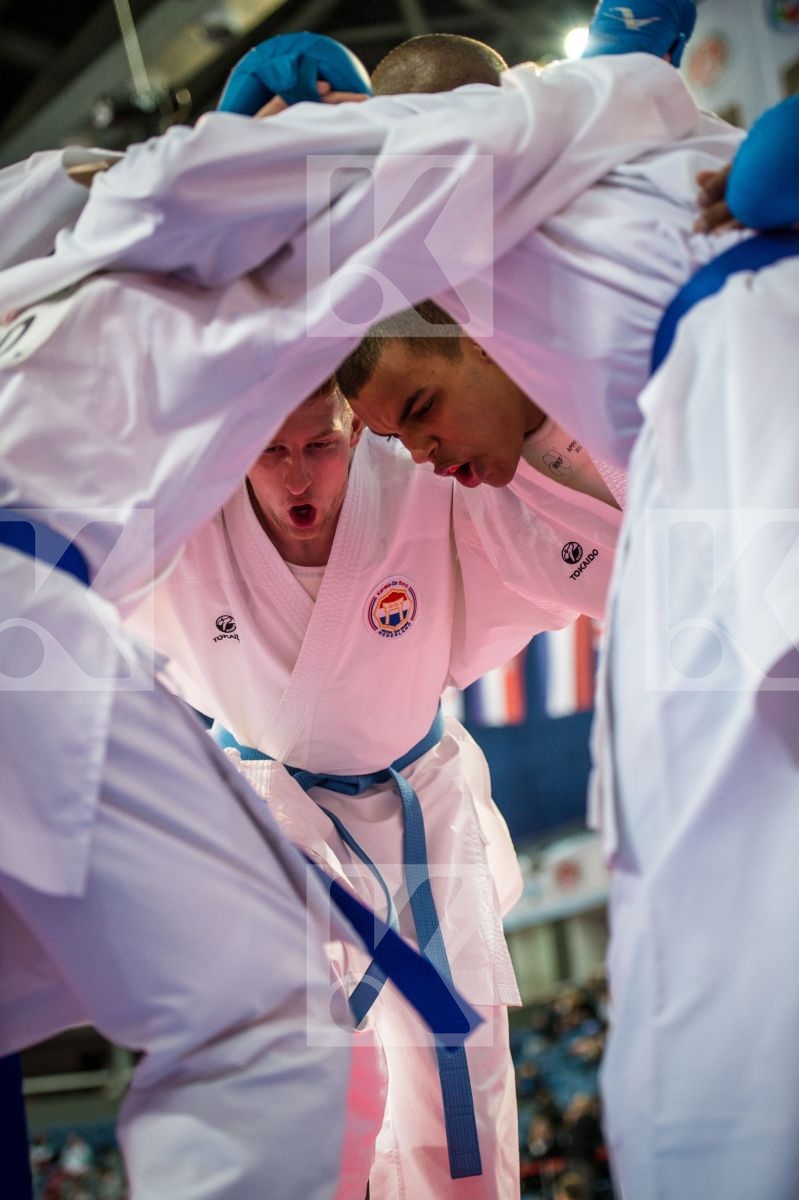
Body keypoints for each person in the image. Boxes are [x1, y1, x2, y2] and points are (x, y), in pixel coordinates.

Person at [0, 89, 484, 1200]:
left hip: (36, 602)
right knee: (267, 1013)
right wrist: (596, 93)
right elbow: (440, 151)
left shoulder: (54, 239)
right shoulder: (244, 225)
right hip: (23, 613)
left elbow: (69, 188)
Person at [131, 303, 622, 1197]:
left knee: (461, 1070)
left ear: (356, 426)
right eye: (269, 451)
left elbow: (562, 539)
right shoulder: (184, 509)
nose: (295, 473)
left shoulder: (429, 481)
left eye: (319, 445)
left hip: (419, 805)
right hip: (270, 819)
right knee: (298, 1067)